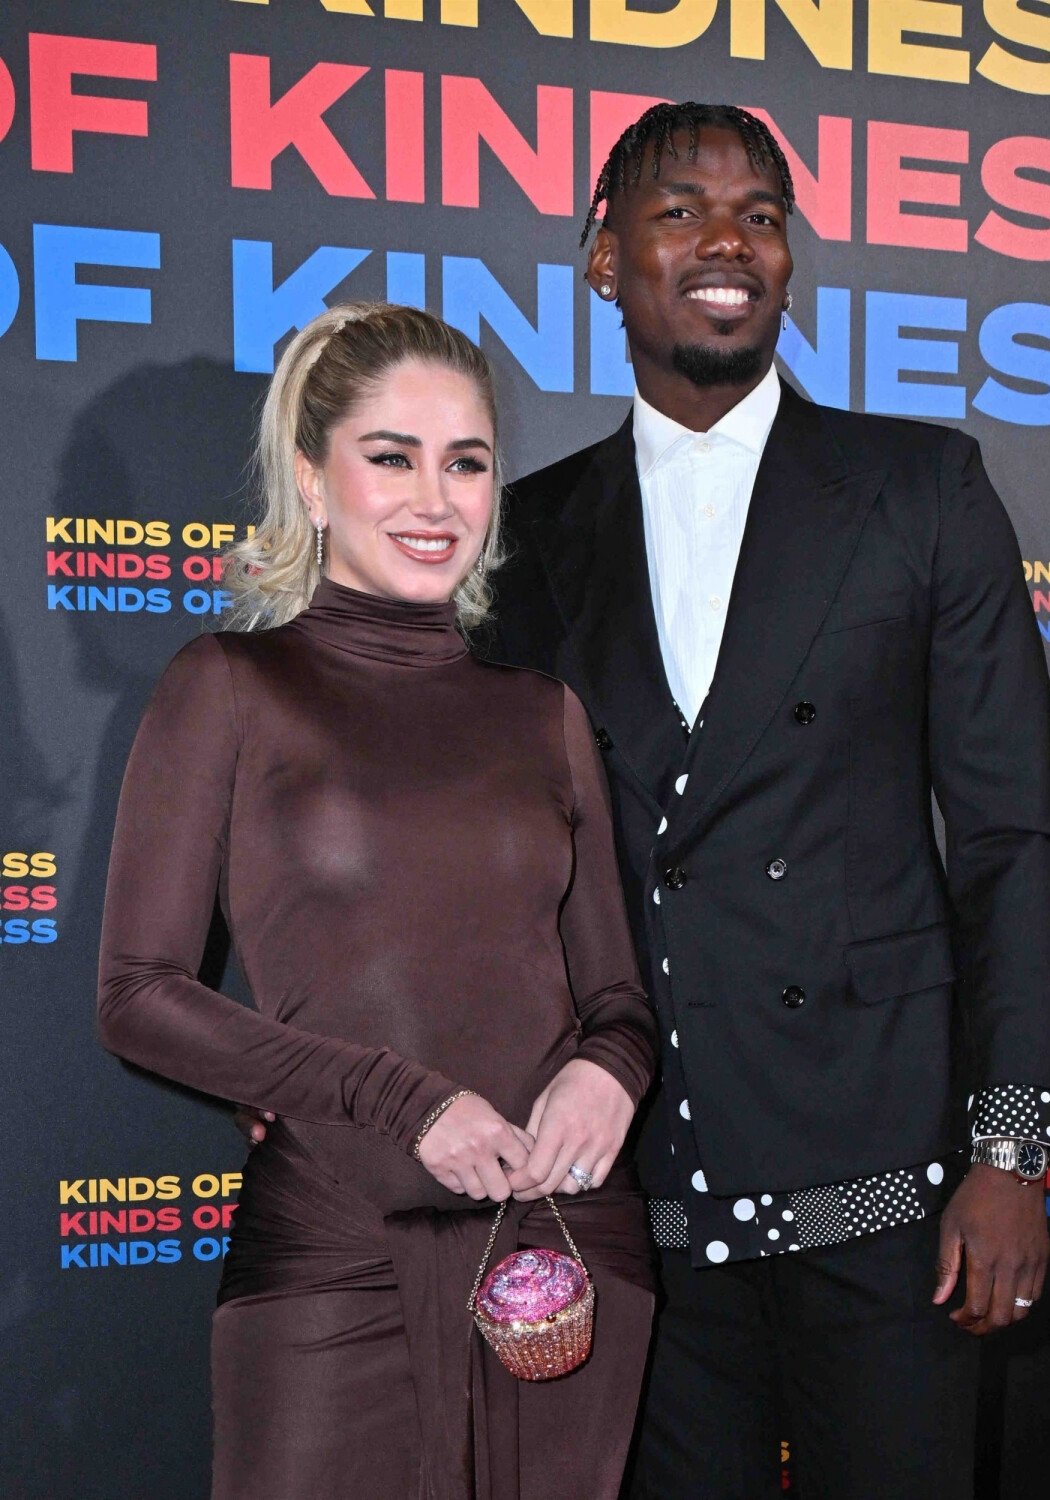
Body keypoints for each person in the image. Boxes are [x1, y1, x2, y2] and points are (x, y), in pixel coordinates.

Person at [487, 103, 1050, 1499]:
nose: (727, 241)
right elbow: (476, 862)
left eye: (760, 213)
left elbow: (1006, 843)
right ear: (600, 256)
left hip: (886, 1188)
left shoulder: (920, 487)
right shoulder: (524, 531)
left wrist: (1013, 1154)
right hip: (638, 1184)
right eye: (681, 208)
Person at [96, 303, 658, 1500]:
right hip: (331, 1257)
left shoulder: (540, 713)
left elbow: (617, 995)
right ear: (311, 478)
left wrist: (611, 1070)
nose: (435, 499)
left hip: (558, 1256)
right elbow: (139, 997)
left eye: (467, 463)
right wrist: (402, 1099)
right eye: (390, 456)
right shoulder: (230, 689)